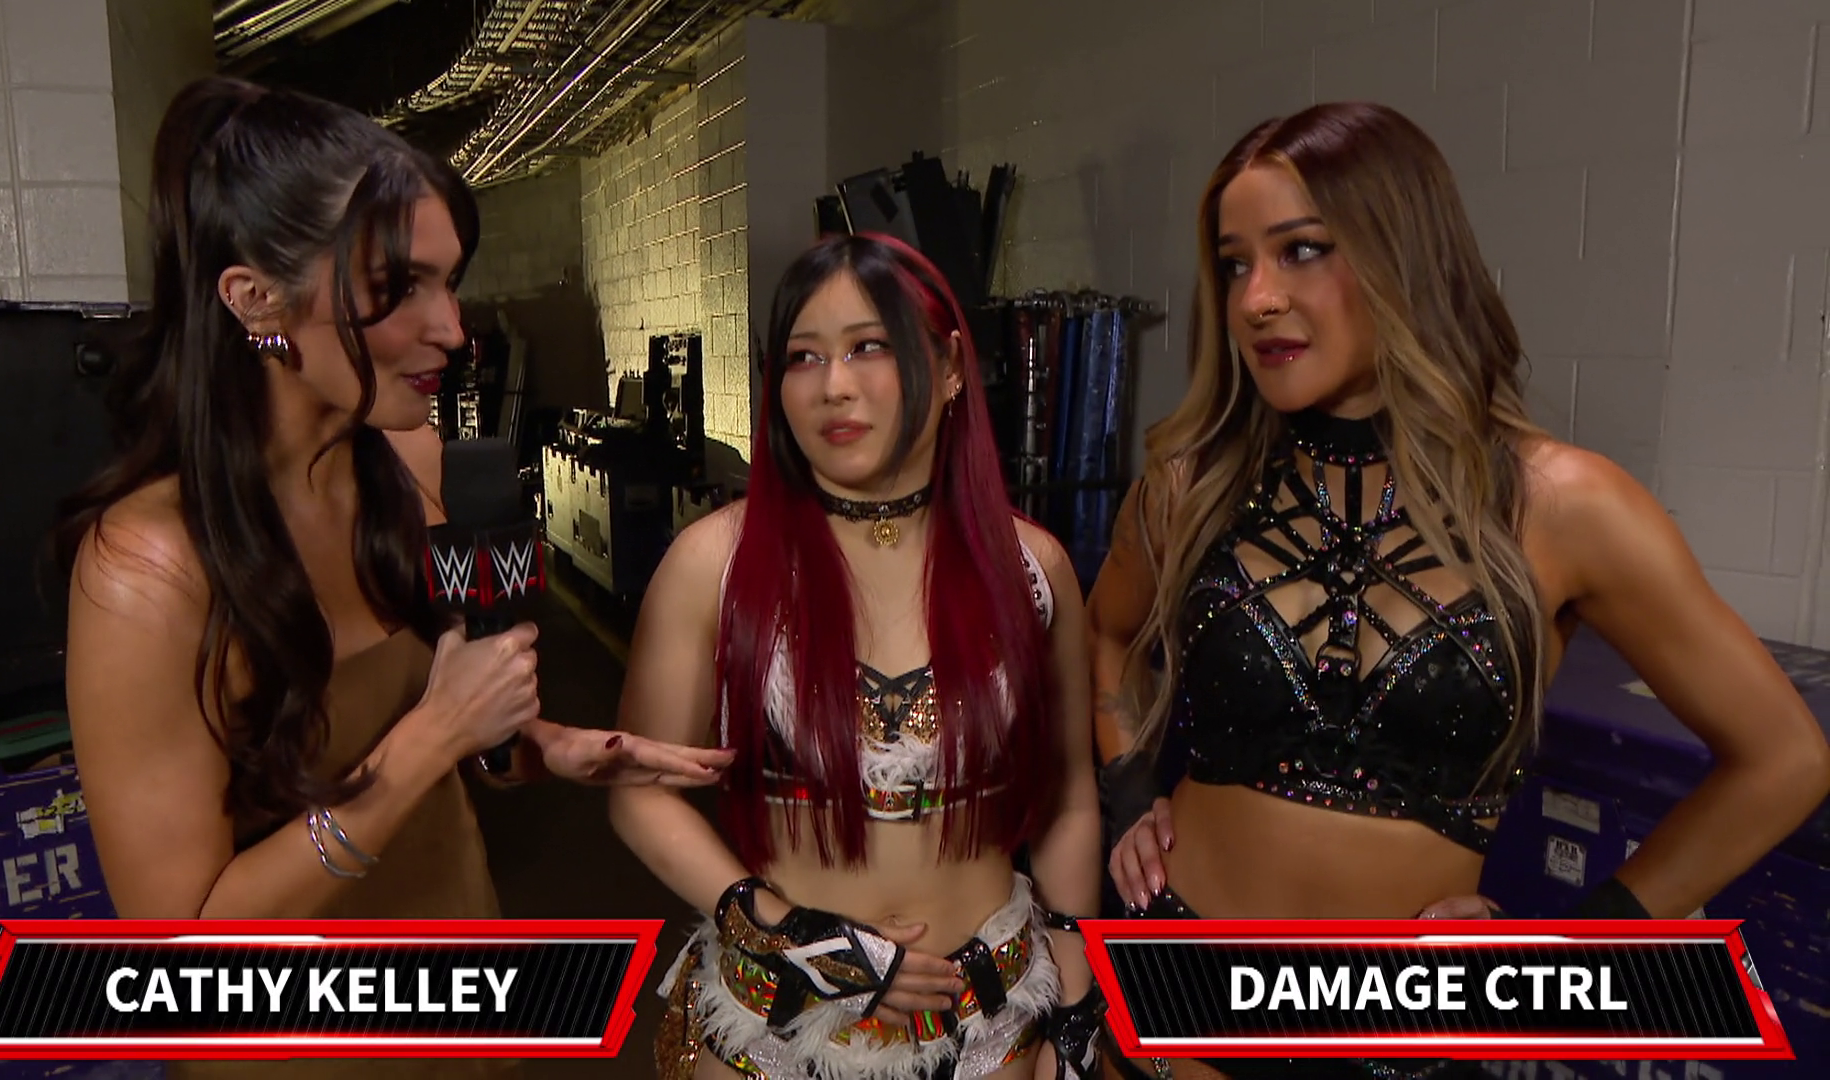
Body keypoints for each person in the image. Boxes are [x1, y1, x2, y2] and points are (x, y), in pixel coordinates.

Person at [1090, 102, 1830, 1080]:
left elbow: (1785, 759)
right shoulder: (1193, 484)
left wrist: (1561, 960)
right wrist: (1131, 793)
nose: (1257, 298)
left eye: (1301, 250)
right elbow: (1106, 636)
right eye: (1235, 265)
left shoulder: (1561, 505)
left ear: (1404, 255)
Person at [53, 76, 728, 1075]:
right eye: (400, 287)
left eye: (449, 282)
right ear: (256, 299)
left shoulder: (406, 468)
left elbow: (444, 715)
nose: (452, 328)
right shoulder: (145, 570)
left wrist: (539, 745)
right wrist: (433, 738)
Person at [609, 232, 1106, 1080]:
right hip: (779, 1030)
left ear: (951, 368)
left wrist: (1076, 978)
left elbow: (1067, 797)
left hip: (994, 1026)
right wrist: (797, 937)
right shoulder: (713, 565)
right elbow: (639, 792)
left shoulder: (1031, 571)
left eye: (869, 347)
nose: (834, 385)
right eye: (804, 357)